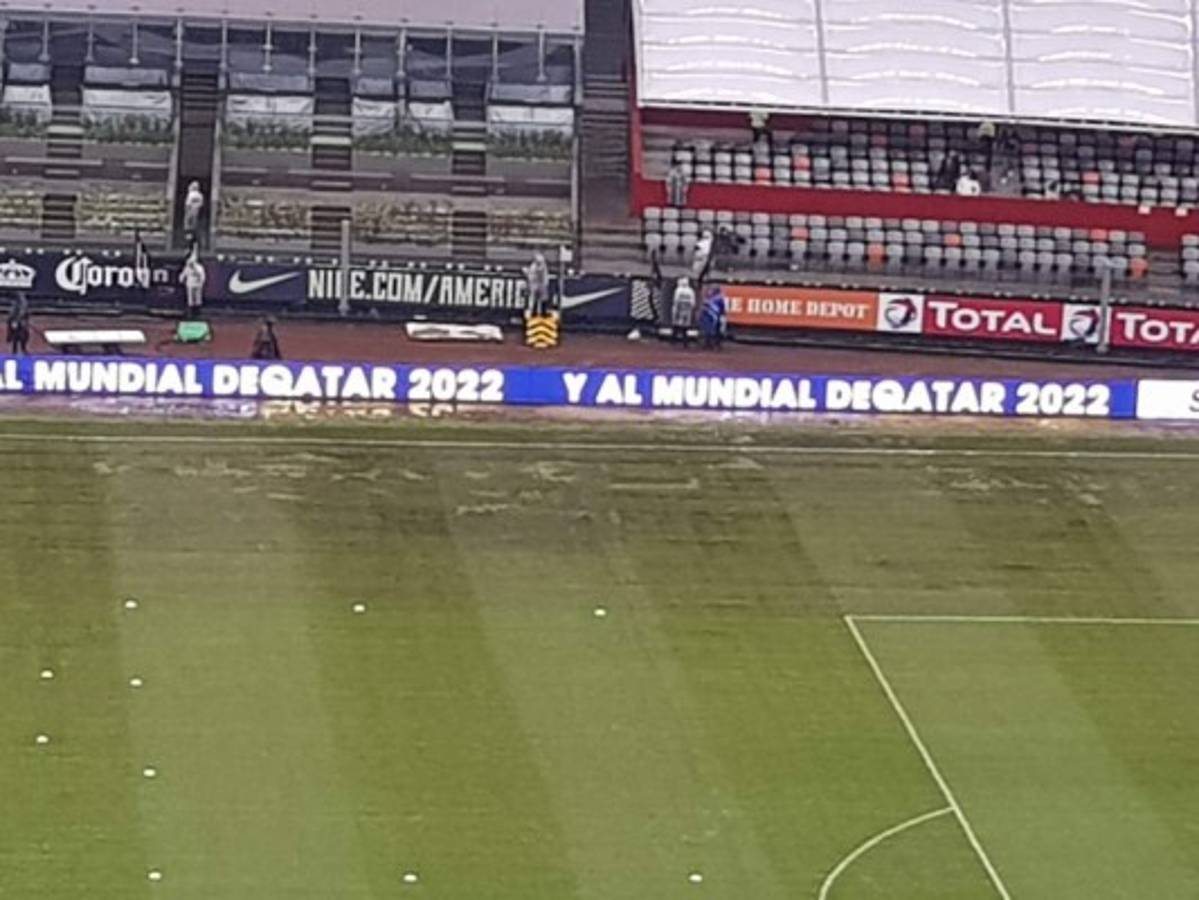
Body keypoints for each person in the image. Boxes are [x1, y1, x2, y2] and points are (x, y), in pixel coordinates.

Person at [699, 285, 727, 350]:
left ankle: (713, 344)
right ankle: (710, 344)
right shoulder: (711, 299)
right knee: (710, 330)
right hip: (711, 316)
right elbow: (704, 307)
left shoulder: (718, 299)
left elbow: (722, 309)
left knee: (714, 331)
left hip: (715, 316)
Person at [671, 277, 696, 347]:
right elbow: (693, 302)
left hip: (679, 309)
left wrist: (675, 310)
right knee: (685, 327)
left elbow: (675, 300)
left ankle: (673, 340)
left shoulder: (678, 290)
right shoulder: (691, 291)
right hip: (687, 311)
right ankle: (685, 342)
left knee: (676, 325)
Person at [179, 253, 206, 318]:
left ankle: (197, 312)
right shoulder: (187, 268)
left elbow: (202, 275)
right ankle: (190, 312)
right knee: (190, 298)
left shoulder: (199, 267)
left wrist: (202, 282)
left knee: (198, 298)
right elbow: (183, 274)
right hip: (190, 284)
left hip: (198, 284)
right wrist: (181, 279)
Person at [525, 251, 550, 316]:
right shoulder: (533, 266)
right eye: (538, 260)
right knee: (535, 299)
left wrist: (545, 283)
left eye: (541, 260)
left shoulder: (544, 266)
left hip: (542, 285)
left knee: (544, 299)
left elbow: (545, 275)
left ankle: (544, 312)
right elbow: (530, 276)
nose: (540, 261)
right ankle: (534, 312)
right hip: (535, 284)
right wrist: (531, 284)